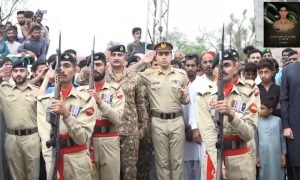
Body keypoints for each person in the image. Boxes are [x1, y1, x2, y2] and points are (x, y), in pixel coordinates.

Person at [195, 50, 260, 179]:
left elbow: (249, 134)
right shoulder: (204, 96)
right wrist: (219, 165)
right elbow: (208, 134)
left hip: (241, 160)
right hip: (215, 158)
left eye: (226, 65)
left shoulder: (249, 92)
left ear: (235, 68)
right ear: (213, 70)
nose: (222, 70)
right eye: (218, 66)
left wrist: (231, 115)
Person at [37, 52, 97, 180]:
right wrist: (50, 163)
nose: (62, 70)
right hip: (54, 158)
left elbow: (83, 138)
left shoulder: (86, 100)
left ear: (75, 70)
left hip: (77, 159)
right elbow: (45, 137)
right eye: (59, 67)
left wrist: (66, 114)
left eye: (67, 65)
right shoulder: (44, 101)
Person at [139, 42, 189, 180]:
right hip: (158, 122)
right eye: (160, 54)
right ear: (156, 57)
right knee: (162, 163)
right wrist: (143, 62)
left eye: (166, 54)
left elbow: (185, 100)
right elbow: (128, 73)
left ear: (171, 55)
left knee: (177, 162)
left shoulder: (181, 74)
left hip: (177, 121)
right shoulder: (149, 74)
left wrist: (185, 97)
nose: (164, 57)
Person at [78, 52, 125, 180]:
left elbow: (117, 119)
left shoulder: (115, 90)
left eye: (99, 65)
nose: (95, 69)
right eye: (92, 65)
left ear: (106, 67)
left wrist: (100, 102)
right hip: (87, 142)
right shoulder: (79, 92)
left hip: (108, 140)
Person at [105, 44, 149, 180]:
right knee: (109, 170)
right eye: (114, 55)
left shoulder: (135, 77)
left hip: (130, 129)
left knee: (129, 170)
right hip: (108, 129)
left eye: (120, 55)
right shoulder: (102, 77)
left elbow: (141, 103)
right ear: (109, 57)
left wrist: (143, 126)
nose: (117, 58)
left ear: (125, 57)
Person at [0, 59, 40, 180]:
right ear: (11, 73)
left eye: (22, 71)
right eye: (15, 71)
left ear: (27, 73)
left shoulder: (37, 91)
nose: (18, 73)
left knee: (33, 174)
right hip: (12, 139)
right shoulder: (3, 90)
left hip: (32, 137)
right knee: (15, 176)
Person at [256, 97, 286, 180]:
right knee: (263, 175)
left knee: (277, 174)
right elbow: (256, 139)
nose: (260, 110)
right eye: (260, 108)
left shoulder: (278, 120)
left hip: (276, 154)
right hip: (263, 154)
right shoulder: (257, 121)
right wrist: (256, 156)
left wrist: (283, 154)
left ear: (271, 110)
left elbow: (282, 138)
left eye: (263, 108)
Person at [281, 54, 300, 180]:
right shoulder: (288, 70)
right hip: (294, 127)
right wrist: (286, 126)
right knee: (296, 167)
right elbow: (284, 99)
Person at [182, 54, 201, 180]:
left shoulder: (204, 84)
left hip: (199, 132)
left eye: (193, 65)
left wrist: (195, 128)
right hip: (182, 132)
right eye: (187, 65)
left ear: (198, 67)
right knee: (185, 171)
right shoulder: (180, 83)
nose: (190, 68)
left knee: (200, 171)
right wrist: (185, 129)